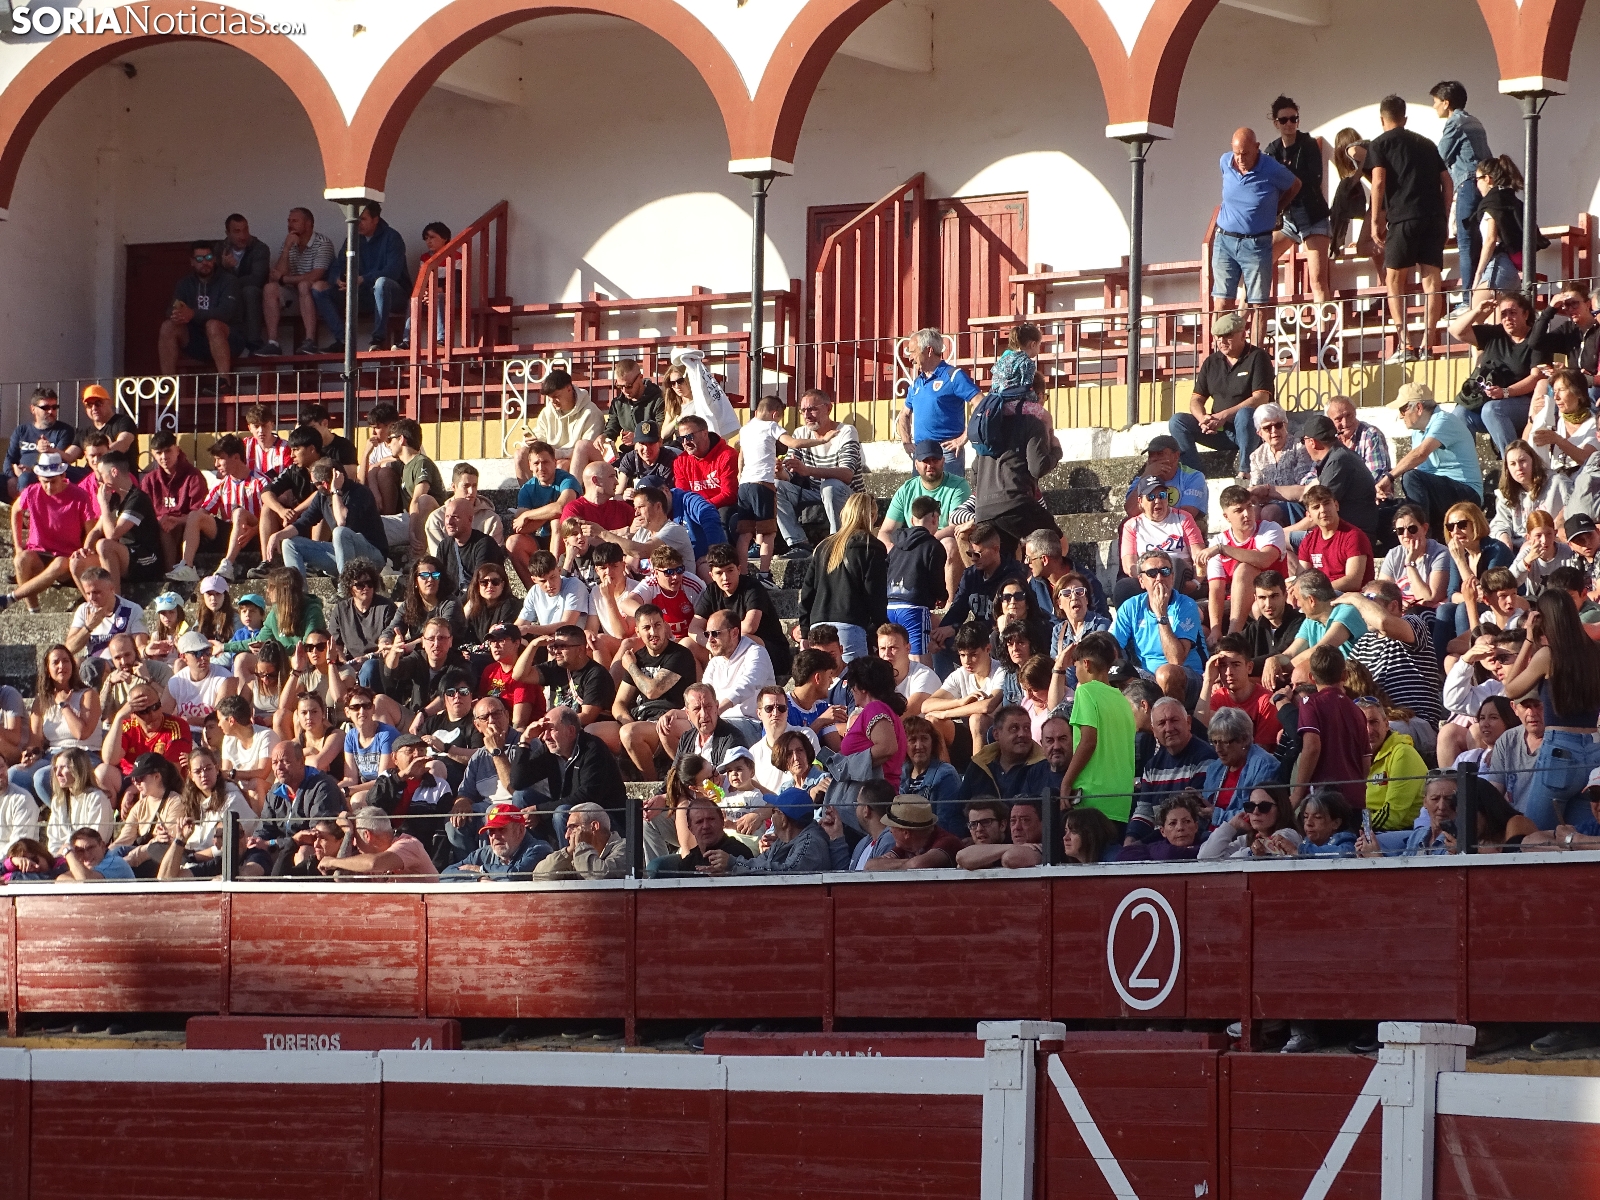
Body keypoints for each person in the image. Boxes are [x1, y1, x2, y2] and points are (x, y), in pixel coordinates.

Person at [1500, 589, 1600, 829]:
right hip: (1594, 750)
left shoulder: (1548, 655)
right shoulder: (1596, 652)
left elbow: (1510, 689)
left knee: (1536, 834)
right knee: (1581, 835)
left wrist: (1528, 639)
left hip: (1560, 749)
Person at [1367, 94, 1453, 361]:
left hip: (1403, 217)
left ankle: (1405, 345)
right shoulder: (1427, 144)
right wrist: (1444, 216)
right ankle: (1428, 344)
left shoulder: (1379, 144)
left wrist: (1375, 220)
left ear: (1382, 119)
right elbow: (1447, 182)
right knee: (1432, 279)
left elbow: (1378, 182)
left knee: (1394, 280)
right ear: (1404, 118)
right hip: (1433, 218)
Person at [1449, 289, 1550, 455]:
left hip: (1523, 402)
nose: (1507, 318)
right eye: (1503, 314)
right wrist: (1478, 311)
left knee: (1492, 410)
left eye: (1513, 313)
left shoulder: (1536, 338)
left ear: (1525, 314)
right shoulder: (1494, 333)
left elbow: (1535, 377)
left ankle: (1512, 461)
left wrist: (1505, 392)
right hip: (1488, 402)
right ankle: (1467, 466)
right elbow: (1456, 331)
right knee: (1460, 413)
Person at [1173, 311, 1273, 473]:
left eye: (1227, 336)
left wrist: (1223, 416)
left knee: (1245, 414)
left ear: (1243, 335)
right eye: (1218, 337)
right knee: (1177, 421)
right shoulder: (1211, 362)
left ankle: (1246, 470)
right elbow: (1196, 399)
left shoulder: (1258, 357)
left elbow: (1261, 398)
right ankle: (1194, 474)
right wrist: (1203, 419)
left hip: (1250, 430)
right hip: (1220, 431)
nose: (1221, 341)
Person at [1379, 382, 1483, 532]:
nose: (1400, 416)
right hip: (1439, 492)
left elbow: (1420, 454)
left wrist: (1389, 477)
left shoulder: (1444, 420)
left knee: (1411, 477)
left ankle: (1422, 535)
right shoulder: (1417, 431)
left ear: (1418, 408)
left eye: (1402, 410)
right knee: (1383, 515)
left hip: (1467, 493)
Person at [1057, 631, 1136, 829]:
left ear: (1086, 664)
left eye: (1075, 666)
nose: (1075, 672)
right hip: (1121, 800)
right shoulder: (1123, 700)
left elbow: (1088, 741)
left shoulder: (1085, 691)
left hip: (1092, 798)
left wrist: (1066, 783)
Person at [797, 492, 887, 663]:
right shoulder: (871, 547)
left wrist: (804, 631)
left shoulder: (823, 546)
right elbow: (875, 595)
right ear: (872, 516)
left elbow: (807, 592)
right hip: (850, 626)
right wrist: (880, 627)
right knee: (854, 679)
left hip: (817, 626)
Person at [775, 389, 865, 557]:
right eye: (803, 410)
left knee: (830, 486)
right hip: (816, 493)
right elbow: (789, 474)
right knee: (776, 486)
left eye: (812, 409)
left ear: (828, 408)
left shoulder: (846, 431)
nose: (807, 415)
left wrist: (808, 470)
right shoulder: (800, 433)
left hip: (849, 495)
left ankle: (836, 543)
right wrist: (780, 472)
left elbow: (847, 474)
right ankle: (799, 544)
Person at [613, 603, 698, 781]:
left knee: (630, 734)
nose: (653, 632)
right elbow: (619, 703)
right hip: (638, 719)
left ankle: (651, 784)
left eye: (657, 625)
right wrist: (628, 721)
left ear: (665, 626)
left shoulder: (680, 655)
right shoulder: (638, 657)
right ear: (638, 632)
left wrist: (631, 667)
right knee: (593, 732)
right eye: (646, 628)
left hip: (667, 721)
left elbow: (653, 691)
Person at [0, 453, 93, 613]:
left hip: (67, 556)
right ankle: (33, 610)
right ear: (38, 478)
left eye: (53, 481)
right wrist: (18, 546)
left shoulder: (80, 496)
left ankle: (11, 598)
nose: (49, 487)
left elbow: (91, 529)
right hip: (39, 552)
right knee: (21, 559)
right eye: (45, 482)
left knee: (59, 563)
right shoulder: (32, 491)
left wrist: (84, 550)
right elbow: (16, 510)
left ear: (63, 476)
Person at [1110, 549, 1206, 705]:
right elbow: (1112, 647)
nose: (1159, 578)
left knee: (1166, 673)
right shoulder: (1131, 607)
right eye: (1152, 573)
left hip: (1188, 676)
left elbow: (1175, 660)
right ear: (1141, 581)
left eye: (1165, 571)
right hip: (1147, 676)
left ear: (1172, 577)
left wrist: (1161, 614)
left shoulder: (1186, 605)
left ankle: (1173, 717)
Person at [880, 440, 968, 605]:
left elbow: (955, 525)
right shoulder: (905, 490)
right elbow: (885, 531)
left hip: (940, 542)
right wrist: (894, 550)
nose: (930, 465)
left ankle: (949, 603)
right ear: (916, 464)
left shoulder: (958, 486)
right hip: (914, 546)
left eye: (935, 460)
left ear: (943, 461)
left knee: (949, 544)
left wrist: (924, 543)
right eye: (925, 461)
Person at [314, 201, 408, 352]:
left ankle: (378, 340)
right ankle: (342, 340)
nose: (358, 223)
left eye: (363, 219)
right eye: (356, 219)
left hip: (393, 297)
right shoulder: (352, 238)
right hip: (362, 295)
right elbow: (339, 264)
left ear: (375, 219)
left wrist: (362, 279)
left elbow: (393, 271)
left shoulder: (392, 237)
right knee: (318, 288)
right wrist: (337, 279)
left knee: (381, 283)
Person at [1431, 80, 1493, 302]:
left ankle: (1468, 298)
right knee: (1477, 240)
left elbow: (1440, 156)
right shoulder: (1474, 121)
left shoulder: (1455, 122)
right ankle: (1478, 293)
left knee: (1466, 242)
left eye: (1436, 101)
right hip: (1482, 184)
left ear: (1446, 103)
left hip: (1467, 184)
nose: (1434, 106)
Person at [1199, 484, 1287, 642]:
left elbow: (1264, 559)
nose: (1247, 514)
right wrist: (1215, 630)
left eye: (1249, 506)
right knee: (1194, 613)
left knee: (1244, 569)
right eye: (1239, 510)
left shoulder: (1269, 529)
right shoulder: (1219, 540)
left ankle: (1233, 638)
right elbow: (1216, 589)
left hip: (1271, 598)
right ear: (1226, 516)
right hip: (1233, 603)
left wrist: (1223, 549)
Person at [1265, 96, 1332, 303]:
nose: (1289, 124)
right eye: (1283, 120)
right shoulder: (1272, 150)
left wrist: (1283, 175)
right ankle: (1245, 317)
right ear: (1276, 123)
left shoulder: (1308, 144)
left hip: (1313, 217)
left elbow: (1313, 179)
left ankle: (1324, 324)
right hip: (1289, 220)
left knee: (1318, 280)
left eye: (1293, 119)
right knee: (1260, 261)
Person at [692, 543, 790, 679]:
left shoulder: (753, 587)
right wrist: (709, 644)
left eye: (730, 570)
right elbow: (694, 628)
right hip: (727, 646)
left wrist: (720, 637)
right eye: (719, 573)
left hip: (769, 651)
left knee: (742, 637)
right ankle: (703, 688)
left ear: (739, 569)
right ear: (711, 575)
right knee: (688, 644)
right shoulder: (711, 591)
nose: (725, 578)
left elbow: (750, 627)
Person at [1290, 645, 1370, 812]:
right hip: (1355, 799)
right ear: (1344, 675)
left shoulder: (1310, 703)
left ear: (1311, 677)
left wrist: (1297, 793)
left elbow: (1312, 747)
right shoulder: (1357, 710)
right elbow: (1365, 759)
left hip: (1323, 801)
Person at [1127, 697, 1217, 839]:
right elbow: (1144, 812)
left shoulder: (1205, 758)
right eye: (1162, 723)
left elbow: (1193, 818)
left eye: (1174, 720)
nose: (1169, 728)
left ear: (1188, 722)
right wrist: (1131, 838)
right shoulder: (1152, 766)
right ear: (1154, 730)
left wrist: (1142, 844)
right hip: (1159, 839)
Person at [896, 327, 981, 477]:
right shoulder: (916, 383)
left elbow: (980, 402)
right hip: (921, 453)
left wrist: (964, 437)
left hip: (946, 452)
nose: (910, 358)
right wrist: (906, 442)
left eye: (913, 352)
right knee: (921, 493)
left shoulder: (953, 376)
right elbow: (904, 414)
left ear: (928, 350)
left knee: (951, 492)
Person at [1117, 475, 1204, 606]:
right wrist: (1149, 579)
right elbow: (1129, 566)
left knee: (1171, 564)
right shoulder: (1132, 525)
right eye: (1151, 497)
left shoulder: (1183, 518)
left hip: (1179, 573)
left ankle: (1168, 611)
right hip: (1149, 575)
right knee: (1123, 587)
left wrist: (1196, 582)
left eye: (1162, 495)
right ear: (1140, 501)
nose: (1157, 501)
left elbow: (1200, 556)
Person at [158, 239, 239, 375]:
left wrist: (192, 314)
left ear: (214, 259)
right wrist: (177, 314)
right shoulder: (184, 284)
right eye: (199, 259)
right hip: (197, 340)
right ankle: (168, 383)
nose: (205, 262)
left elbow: (226, 312)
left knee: (213, 325)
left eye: (208, 257)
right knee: (168, 326)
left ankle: (224, 381)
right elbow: (171, 309)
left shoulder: (228, 280)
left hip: (229, 339)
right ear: (192, 262)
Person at [261, 207, 335, 355]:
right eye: (289, 221)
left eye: (295, 221)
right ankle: (273, 343)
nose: (290, 225)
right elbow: (276, 276)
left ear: (308, 224)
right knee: (270, 288)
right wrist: (286, 248)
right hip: (295, 294)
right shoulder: (289, 242)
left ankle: (310, 341)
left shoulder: (323, 243)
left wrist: (285, 279)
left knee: (304, 285)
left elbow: (315, 275)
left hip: (318, 296)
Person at [1297, 413, 1379, 536]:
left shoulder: (1338, 462)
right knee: (1287, 508)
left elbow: (1319, 512)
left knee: (1284, 540)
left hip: (1350, 536)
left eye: (1303, 441)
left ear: (1312, 442)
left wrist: (1282, 533)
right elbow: (1305, 492)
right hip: (1346, 531)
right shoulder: (1339, 456)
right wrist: (1271, 491)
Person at [1357, 695, 1427, 833]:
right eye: (1361, 723)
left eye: (1374, 722)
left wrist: (1354, 826)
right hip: (1366, 828)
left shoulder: (1402, 753)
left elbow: (1392, 816)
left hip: (1401, 832)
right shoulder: (1350, 755)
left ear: (1386, 724)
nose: (1369, 730)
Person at [528, 368, 607, 486]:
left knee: (561, 466)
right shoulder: (547, 412)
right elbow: (541, 438)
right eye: (549, 398)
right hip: (551, 459)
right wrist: (532, 441)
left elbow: (586, 450)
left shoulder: (591, 412)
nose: (553, 401)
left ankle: (572, 494)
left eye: (556, 396)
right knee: (520, 454)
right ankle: (530, 494)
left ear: (569, 389)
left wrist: (557, 454)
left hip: (581, 463)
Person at [442, 802, 550, 881]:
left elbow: (515, 876)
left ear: (520, 830)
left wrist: (481, 869)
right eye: (491, 831)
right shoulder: (484, 853)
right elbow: (445, 875)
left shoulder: (540, 849)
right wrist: (479, 879)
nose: (495, 836)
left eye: (501, 829)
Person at [1246, 404, 1314, 526]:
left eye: (1278, 425)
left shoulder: (1299, 448)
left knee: (1269, 512)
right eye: (1267, 428)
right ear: (1259, 433)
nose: (1274, 431)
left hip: (1295, 503)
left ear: (1285, 425)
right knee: (1252, 513)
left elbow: (1304, 486)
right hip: (1267, 504)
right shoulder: (1256, 456)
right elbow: (1255, 488)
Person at [1295, 485, 1373, 592]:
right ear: (1309, 516)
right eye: (1316, 507)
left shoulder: (1353, 536)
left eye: (1327, 503)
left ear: (1336, 506)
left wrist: (1317, 591)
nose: (1323, 510)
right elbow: (1300, 578)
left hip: (1352, 597)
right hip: (1319, 596)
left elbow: (1353, 582)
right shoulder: (1308, 541)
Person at [859, 795, 963, 871]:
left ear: (906, 833)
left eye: (892, 827)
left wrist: (891, 864)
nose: (890, 830)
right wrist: (907, 863)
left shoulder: (947, 842)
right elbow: (870, 866)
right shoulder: (906, 845)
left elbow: (917, 865)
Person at [4, 388, 76, 499]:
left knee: (26, 478)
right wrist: (11, 477)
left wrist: (32, 470)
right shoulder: (21, 430)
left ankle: (26, 509)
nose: (51, 411)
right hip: (18, 475)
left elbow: (59, 461)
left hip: (45, 478)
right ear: (33, 409)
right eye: (45, 408)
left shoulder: (64, 431)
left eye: (54, 407)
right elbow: (10, 458)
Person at [214, 213, 269, 352]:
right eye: (237, 231)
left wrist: (231, 273)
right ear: (228, 233)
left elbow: (257, 279)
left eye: (245, 230)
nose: (243, 236)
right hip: (228, 293)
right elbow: (213, 280)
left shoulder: (260, 248)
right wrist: (224, 268)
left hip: (253, 293)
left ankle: (254, 342)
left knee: (249, 291)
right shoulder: (219, 249)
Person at [1201, 783, 1299, 860]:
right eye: (1250, 806)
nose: (1255, 812)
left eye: (1264, 807)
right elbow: (1204, 857)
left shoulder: (1289, 834)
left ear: (1280, 809)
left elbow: (1270, 847)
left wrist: (1250, 852)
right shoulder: (1245, 840)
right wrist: (1232, 825)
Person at [1379, 503, 1449, 609]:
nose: (1406, 535)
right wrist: (1399, 602)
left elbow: (1429, 599)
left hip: (1425, 612)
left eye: (1412, 529)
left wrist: (1410, 564)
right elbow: (1382, 592)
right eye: (1400, 531)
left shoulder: (1440, 553)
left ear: (1425, 528)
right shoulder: (1394, 554)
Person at [1117, 791, 1206, 862]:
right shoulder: (1155, 847)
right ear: (1163, 831)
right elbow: (1123, 855)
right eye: (1172, 823)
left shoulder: (1207, 841)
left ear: (1196, 826)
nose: (1180, 828)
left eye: (1186, 821)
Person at [1326, 395, 1393, 482]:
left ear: (1355, 413)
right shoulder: (1328, 437)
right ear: (1329, 420)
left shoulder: (1370, 434)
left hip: (1367, 488)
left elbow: (1377, 473)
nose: (1345, 423)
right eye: (1338, 419)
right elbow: (1314, 471)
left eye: (1349, 415)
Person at [55, 826, 135, 883]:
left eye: (91, 848)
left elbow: (87, 883)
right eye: (80, 851)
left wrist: (67, 851)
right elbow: (60, 879)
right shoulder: (84, 869)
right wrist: (79, 881)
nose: (86, 855)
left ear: (102, 846)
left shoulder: (115, 862)